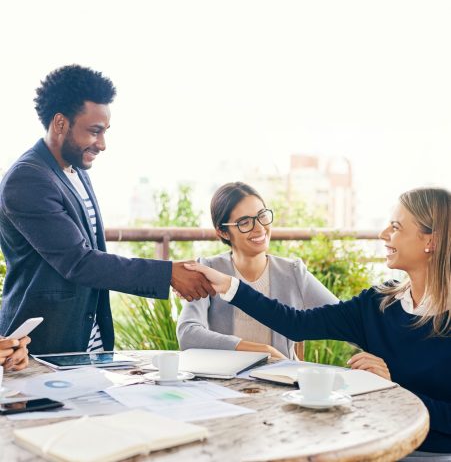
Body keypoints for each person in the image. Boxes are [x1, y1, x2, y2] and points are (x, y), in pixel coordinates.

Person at [185, 187, 451, 458]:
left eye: (395, 227)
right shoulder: (378, 303)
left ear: (432, 240)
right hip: (376, 442)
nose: (383, 234)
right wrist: (231, 286)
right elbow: (296, 323)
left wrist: (392, 387)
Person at [0, 64, 214, 355]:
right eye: (94, 131)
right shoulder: (27, 179)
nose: (102, 144)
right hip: (40, 349)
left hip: (87, 343)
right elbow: (79, 262)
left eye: (104, 132)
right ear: (60, 123)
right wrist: (168, 274)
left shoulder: (75, 170)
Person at [177, 182, 338, 359]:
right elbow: (188, 334)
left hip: (282, 381)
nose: (260, 228)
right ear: (223, 232)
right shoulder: (209, 270)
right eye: (245, 222)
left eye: (262, 215)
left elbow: (344, 319)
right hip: (224, 383)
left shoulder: (293, 273)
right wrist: (262, 350)